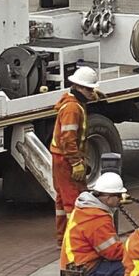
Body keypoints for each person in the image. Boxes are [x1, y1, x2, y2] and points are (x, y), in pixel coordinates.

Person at [60, 170, 127, 276]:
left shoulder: (85, 208)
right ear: (109, 197)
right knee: (129, 269)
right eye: (119, 196)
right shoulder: (98, 218)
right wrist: (133, 248)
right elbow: (113, 252)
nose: (121, 200)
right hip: (84, 269)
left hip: (74, 267)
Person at [50, 65, 99, 242]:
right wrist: (76, 162)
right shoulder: (72, 109)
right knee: (72, 200)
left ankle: (63, 238)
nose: (90, 92)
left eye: (92, 89)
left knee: (62, 200)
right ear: (77, 87)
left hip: (60, 157)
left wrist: (93, 94)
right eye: (88, 89)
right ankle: (75, 241)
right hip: (65, 159)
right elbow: (68, 139)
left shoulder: (72, 101)